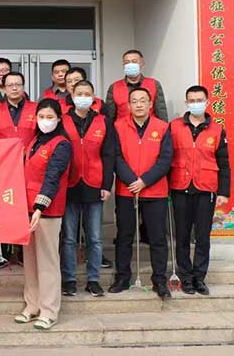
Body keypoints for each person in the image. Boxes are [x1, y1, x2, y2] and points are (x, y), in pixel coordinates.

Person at [109, 88, 172, 300]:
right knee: (124, 236)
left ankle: (160, 280)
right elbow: (116, 156)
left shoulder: (163, 127)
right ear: (128, 105)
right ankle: (122, 278)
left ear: (150, 104)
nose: (138, 105)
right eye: (134, 101)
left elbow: (165, 159)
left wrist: (144, 181)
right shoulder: (118, 126)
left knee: (157, 238)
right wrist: (131, 181)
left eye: (143, 100)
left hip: (155, 191)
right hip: (127, 190)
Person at [14, 98, 71, 330]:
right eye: (41, 117)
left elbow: (52, 177)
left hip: (47, 210)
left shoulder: (62, 145)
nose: (45, 121)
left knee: (47, 261)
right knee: (30, 261)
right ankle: (32, 305)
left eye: (50, 117)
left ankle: (49, 310)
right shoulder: (36, 141)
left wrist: (40, 207)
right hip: (27, 208)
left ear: (59, 119)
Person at [170, 85, 230, 295]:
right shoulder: (174, 127)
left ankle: (199, 278)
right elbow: (166, 158)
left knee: (203, 237)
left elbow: (224, 163)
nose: (195, 103)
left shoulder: (217, 129)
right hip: (180, 187)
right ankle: (186, 278)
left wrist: (223, 192)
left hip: (206, 190)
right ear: (186, 103)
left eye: (199, 100)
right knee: (182, 236)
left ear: (207, 102)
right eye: (192, 100)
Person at [60, 80, 115, 298]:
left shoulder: (103, 121)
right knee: (69, 238)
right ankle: (69, 280)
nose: (83, 97)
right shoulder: (62, 120)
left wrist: (107, 185)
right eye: (79, 93)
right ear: (72, 95)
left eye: (87, 94)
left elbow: (109, 154)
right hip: (69, 184)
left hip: (94, 183)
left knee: (95, 237)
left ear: (93, 97)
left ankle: (93, 280)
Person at [0, 71, 36, 268]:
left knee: (26, 211)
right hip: (4, 170)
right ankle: (3, 254)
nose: (14, 88)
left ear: (23, 87)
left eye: (18, 84)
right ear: (4, 88)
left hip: (30, 168)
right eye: (10, 85)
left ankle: (24, 254)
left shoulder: (35, 108)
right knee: (4, 209)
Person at [105, 50, 168, 121]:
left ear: (142, 64)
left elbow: (161, 113)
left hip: (150, 127)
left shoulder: (154, 84)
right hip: (122, 127)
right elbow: (109, 117)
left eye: (134, 61)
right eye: (126, 62)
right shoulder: (114, 87)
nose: (130, 65)